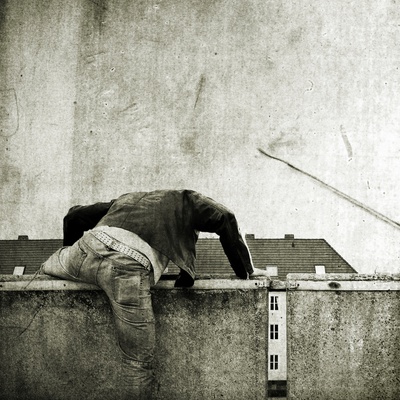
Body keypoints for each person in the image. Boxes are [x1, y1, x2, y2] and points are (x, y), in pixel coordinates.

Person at [40, 189, 269, 399]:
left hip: (85, 251)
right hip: (128, 265)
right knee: (137, 362)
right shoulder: (186, 199)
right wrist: (247, 270)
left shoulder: (127, 199)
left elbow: (73, 217)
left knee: (46, 268)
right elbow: (225, 218)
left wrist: (74, 256)